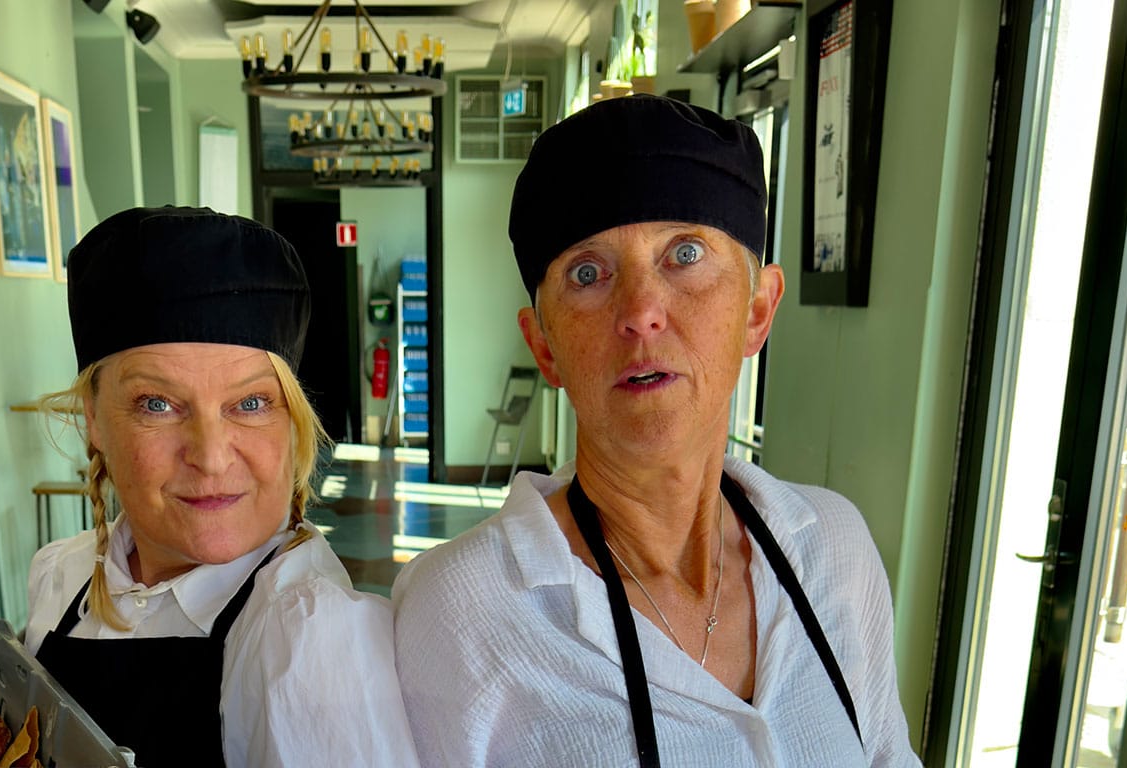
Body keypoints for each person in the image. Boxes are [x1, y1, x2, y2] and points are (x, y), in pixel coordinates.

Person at [392, 95, 919, 766]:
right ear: (545, 346)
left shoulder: (835, 550)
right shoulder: (460, 614)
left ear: (757, 310)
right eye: (588, 273)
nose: (640, 311)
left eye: (684, 254)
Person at [23, 206, 419, 767]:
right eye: (157, 404)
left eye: (250, 403)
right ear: (93, 417)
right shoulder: (60, 576)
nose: (210, 457)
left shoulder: (310, 639)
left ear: (291, 420)